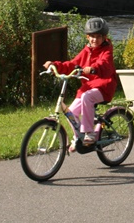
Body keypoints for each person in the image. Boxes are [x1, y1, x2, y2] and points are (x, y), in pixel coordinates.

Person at [43, 17, 116, 147]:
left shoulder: (107, 50)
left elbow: (104, 63)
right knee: (71, 112)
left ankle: (89, 133)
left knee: (86, 97)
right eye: (92, 36)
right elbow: (72, 64)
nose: (94, 39)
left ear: (104, 37)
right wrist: (55, 66)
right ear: (87, 37)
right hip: (88, 87)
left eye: (98, 36)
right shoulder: (86, 50)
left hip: (104, 87)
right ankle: (78, 139)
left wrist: (93, 69)